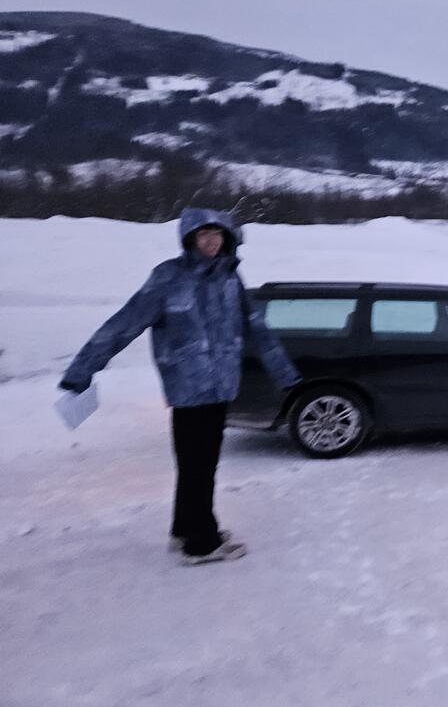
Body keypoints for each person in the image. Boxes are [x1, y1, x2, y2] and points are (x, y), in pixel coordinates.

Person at [58, 208, 301, 565]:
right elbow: (124, 324)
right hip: (188, 388)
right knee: (197, 466)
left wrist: (285, 374)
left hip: (221, 387)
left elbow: (257, 328)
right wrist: (82, 371)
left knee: (198, 465)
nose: (212, 241)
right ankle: (201, 544)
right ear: (189, 238)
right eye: (204, 234)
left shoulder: (229, 277)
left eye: (217, 234)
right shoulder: (169, 277)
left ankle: (184, 529)